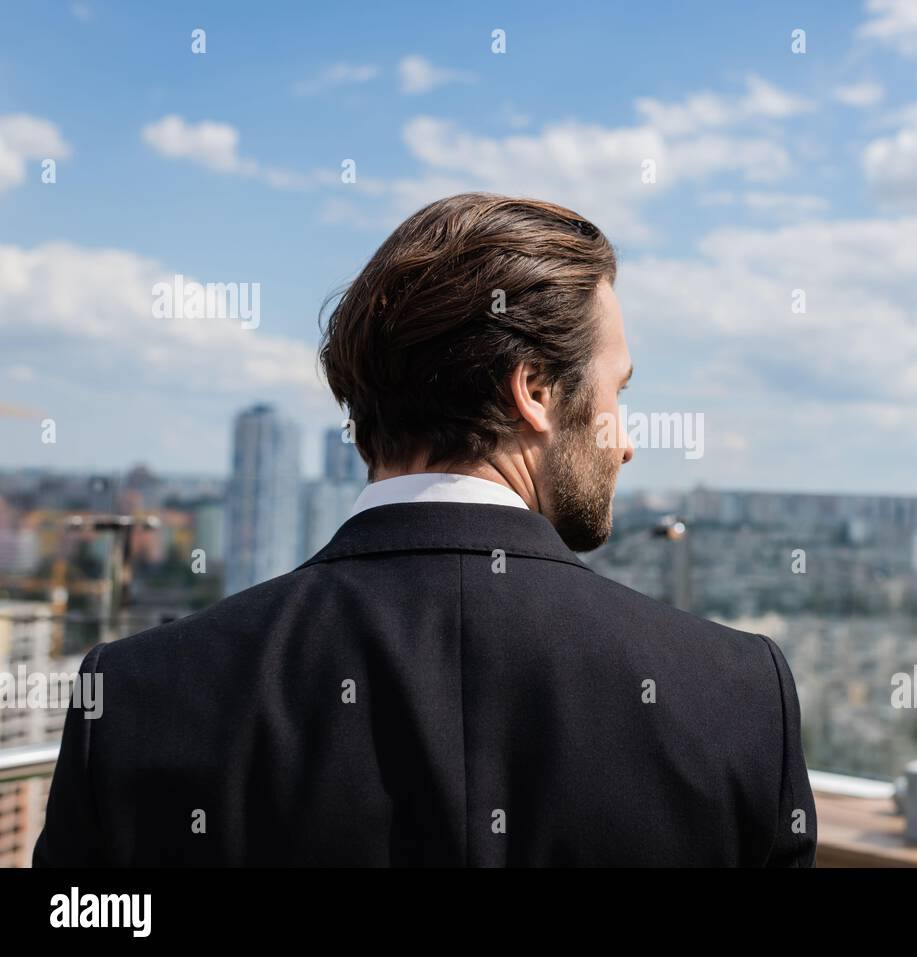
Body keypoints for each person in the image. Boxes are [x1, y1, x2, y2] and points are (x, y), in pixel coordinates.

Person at [34, 192, 817, 866]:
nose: (629, 440)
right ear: (536, 390)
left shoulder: (137, 696)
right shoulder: (738, 698)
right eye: (617, 392)